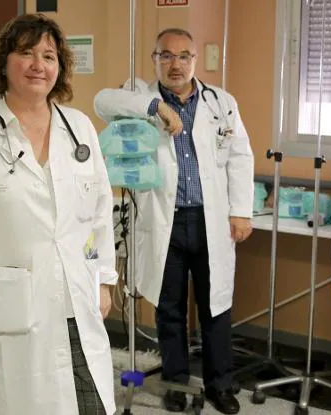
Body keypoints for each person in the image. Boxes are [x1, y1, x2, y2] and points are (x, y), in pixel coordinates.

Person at [0, 13, 117, 415]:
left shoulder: (80, 129)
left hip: (76, 299)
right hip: (10, 308)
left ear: (60, 67)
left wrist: (104, 280)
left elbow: (101, 212)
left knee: (91, 405)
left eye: (49, 56)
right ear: (3, 63)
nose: (39, 65)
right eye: (26, 53)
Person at [94, 28, 254, 415]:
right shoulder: (140, 98)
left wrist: (241, 211)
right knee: (170, 308)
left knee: (215, 306)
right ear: (155, 60)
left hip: (210, 222)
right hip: (164, 222)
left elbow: (240, 157)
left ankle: (220, 385)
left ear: (195, 60)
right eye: (165, 56)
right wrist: (155, 109)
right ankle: (175, 382)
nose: (175, 64)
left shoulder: (221, 102)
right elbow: (101, 101)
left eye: (184, 56)